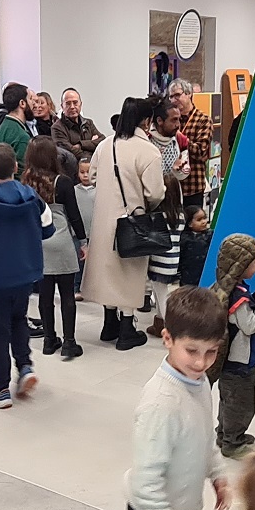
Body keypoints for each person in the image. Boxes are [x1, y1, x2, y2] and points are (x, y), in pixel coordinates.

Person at [125, 287, 234, 510]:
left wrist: (218, 475)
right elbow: (144, 481)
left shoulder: (197, 381)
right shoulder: (161, 404)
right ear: (167, 339)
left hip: (181, 509)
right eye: (192, 350)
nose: (201, 362)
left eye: (211, 352)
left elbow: (203, 435)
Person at [84, 96, 167, 351]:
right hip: (132, 220)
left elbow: (92, 175)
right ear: (147, 121)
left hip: (102, 220)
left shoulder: (106, 145)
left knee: (106, 271)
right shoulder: (149, 151)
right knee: (129, 272)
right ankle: (126, 329)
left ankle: (109, 323)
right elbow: (155, 192)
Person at [0, 143, 52, 407]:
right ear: (15, 166)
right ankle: (25, 367)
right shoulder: (33, 197)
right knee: (19, 320)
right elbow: (48, 229)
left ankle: (0, 389)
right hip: (26, 274)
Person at [212, 233, 255, 459]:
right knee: (242, 405)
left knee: (227, 401)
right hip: (239, 363)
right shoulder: (237, 296)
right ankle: (233, 442)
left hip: (229, 362)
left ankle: (224, 434)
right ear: (240, 265)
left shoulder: (226, 289)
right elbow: (249, 325)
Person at [23, 138, 87, 360]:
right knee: (67, 294)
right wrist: (83, 242)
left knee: (45, 295)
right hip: (60, 240)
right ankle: (69, 342)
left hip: (37, 242)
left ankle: (49, 340)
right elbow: (74, 215)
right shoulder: (64, 182)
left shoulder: (25, 183)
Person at [146, 175, 187, 337]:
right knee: (160, 293)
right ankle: (158, 324)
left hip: (158, 261)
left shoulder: (158, 216)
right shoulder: (180, 215)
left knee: (161, 297)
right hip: (173, 260)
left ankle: (170, 329)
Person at [167, 79, 215, 209]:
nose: (173, 100)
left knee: (192, 226)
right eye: (170, 96)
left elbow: (201, 151)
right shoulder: (168, 121)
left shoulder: (203, 120)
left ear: (189, 94)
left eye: (177, 95)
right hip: (172, 187)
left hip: (192, 187)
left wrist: (182, 140)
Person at [52, 87, 105, 160]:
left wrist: (81, 145)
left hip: (93, 168)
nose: (72, 107)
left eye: (75, 102)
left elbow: (102, 141)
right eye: (68, 104)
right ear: (62, 107)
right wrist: (91, 145)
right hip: (72, 169)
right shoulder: (57, 127)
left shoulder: (88, 123)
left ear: (81, 104)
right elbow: (70, 152)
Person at [0, 81, 35, 173]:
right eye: (31, 99)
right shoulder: (21, 136)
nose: (34, 104)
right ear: (22, 103)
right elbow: (21, 174)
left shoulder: (4, 125)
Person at [74, 153, 95, 297]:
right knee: (79, 263)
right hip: (78, 234)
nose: (85, 175)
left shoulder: (98, 191)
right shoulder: (74, 191)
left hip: (93, 233)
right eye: (82, 172)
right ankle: (76, 288)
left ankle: (92, 289)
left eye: (88, 172)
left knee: (93, 264)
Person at [179, 205, 211, 288]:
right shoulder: (184, 239)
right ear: (189, 223)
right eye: (199, 220)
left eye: (204, 218)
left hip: (205, 276)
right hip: (188, 278)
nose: (204, 222)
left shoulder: (210, 235)